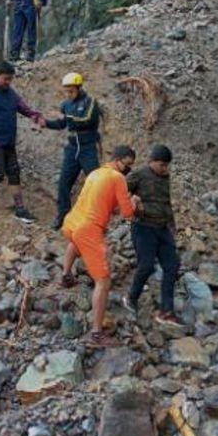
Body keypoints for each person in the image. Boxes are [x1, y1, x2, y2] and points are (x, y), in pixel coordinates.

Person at [60, 146, 138, 348]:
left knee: (74, 243)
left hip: (72, 222)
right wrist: (135, 201)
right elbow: (127, 213)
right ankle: (97, 333)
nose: (128, 169)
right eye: (127, 164)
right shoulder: (117, 178)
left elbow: (102, 202)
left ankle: (66, 276)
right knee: (103, 282)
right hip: (90, 230)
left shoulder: (95, 173)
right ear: (119, 160)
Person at [0, 61, 45, 222]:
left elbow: (23, 107)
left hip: (8, 141)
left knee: (14, 173)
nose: (8, 82)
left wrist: (34, 115)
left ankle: (20, 210)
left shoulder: (11, 93)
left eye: (10, 79)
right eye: (6, 79)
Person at [123, 144, 181, 326]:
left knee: (172, 266)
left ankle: (166, 311)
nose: (165, 169)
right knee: (146, 265)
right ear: (152, 161)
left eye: (167, 165)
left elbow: (166, 203)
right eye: (162, 165)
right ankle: (131, 298)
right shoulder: (139, 175)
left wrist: (172, 227)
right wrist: (132, 199)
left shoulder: (165, 177)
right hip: (143, 227)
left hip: (162, 228)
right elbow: (120, 190)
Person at [45, 73, 102, 229]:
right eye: (67, 91)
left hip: (88, 147)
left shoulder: (90, 102)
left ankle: (97, 219)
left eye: (71, 91)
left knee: (95, 183)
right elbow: (61, 124)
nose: (68, 94)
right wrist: (45, 123)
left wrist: (65, 116)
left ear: (79, 88)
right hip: (72, 148)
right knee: (63, 183)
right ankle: (63, 216)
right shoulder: (66, 104)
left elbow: (86, 120)